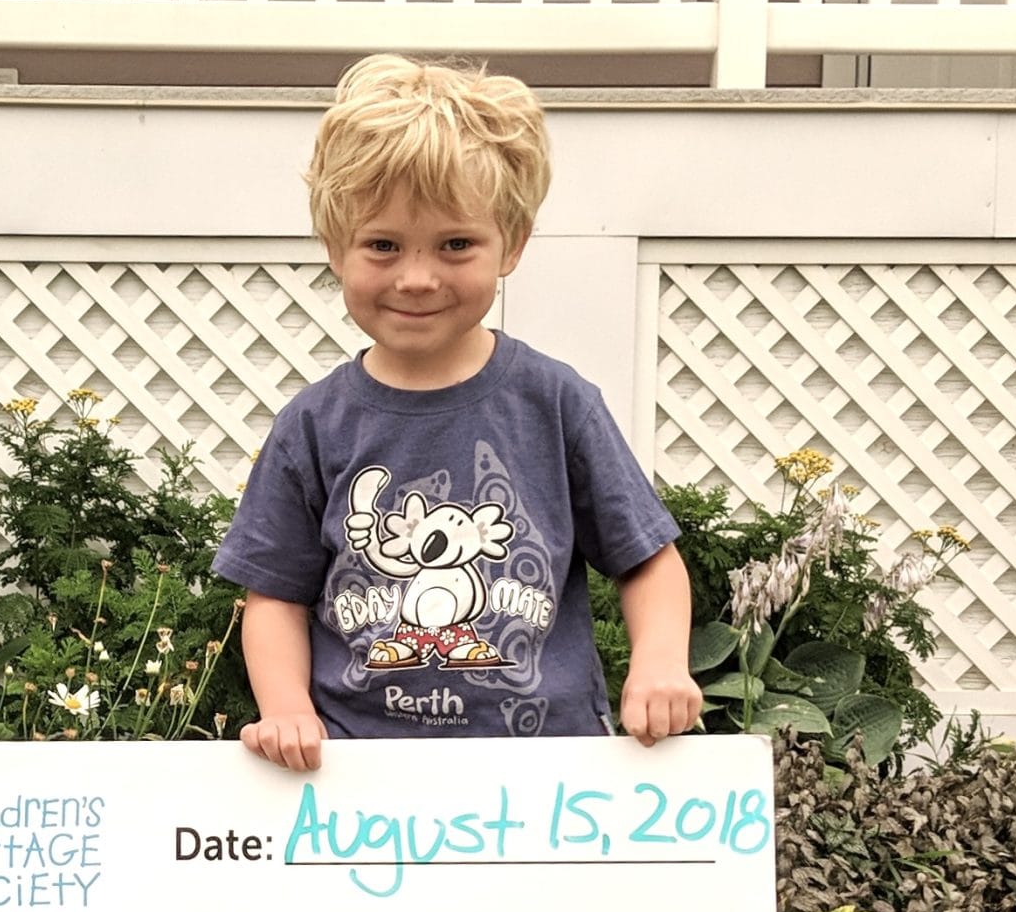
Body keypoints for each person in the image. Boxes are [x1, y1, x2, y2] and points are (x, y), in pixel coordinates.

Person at [214, 55, 701, 768]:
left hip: (548, 776)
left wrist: (660, 664)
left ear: (513, 245)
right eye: (383, 245)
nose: (417, 276)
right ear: (334, 249)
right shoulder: (313, 427)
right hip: (357, 779)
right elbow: (275, 597)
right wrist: (286, 710)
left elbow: (649, 561)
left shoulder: (556, 403)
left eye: (456, 244)